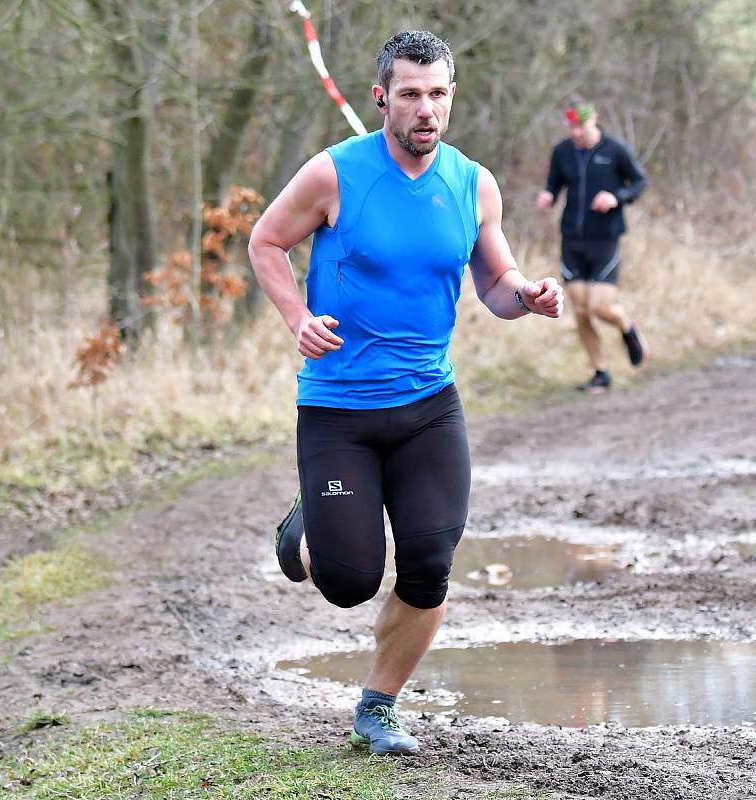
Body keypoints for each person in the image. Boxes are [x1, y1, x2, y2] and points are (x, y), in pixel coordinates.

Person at [248, 30, 563, 755]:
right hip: (337, 410)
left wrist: (527, 295)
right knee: (350, 581)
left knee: (428, 562)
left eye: (438, 93)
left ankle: (378, 706)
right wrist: (296, 317)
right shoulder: (334, 175)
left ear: (451, 96)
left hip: (428, 406)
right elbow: (265, 241)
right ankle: (305, 533)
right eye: (412, 93)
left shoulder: (471, 182)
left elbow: (492, 281)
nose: (426, 108)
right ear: (381, 97)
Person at [536, 98, 648, 393]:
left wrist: (616, 197)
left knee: (600, 307)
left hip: (605, 239)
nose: (576, 132)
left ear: (594, 119)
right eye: (571, 126)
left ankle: (627, 327)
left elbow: (638, 182)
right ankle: (600, 371)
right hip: (572, 239)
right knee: (581, 309)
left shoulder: (615, 150)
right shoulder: (562, 152)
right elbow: (554, 183)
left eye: (580, 126)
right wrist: (548, 195)